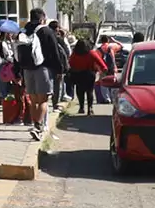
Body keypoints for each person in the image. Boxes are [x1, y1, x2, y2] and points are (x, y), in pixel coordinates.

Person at [19, 8, 64, 141]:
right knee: (43, 100)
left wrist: (18, 71)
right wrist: (59, 70)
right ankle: (38, 127)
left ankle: (35, 124)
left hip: (27, 69)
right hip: (42, 69)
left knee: (33, 101)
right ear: (41, 19)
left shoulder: (24, 31)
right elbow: (55, 52)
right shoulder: (46, 31)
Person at [67, 38, 108, 115]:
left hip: (78, 74)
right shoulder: (91, 53)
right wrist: (104, 69)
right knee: (90, 91)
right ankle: (90, 108)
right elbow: (99, 61)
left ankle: (81, 107)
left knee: (80, 91)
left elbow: (70, 62)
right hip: (89, 74)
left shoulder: (74, 53)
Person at [48, 20, 71, 112]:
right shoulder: (58, 39)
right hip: (58, 65)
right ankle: (55, 104)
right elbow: (67, 52)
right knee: (57, 86)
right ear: (57, 29)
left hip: (47, 65)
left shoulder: (46, 38)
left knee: (49, 86)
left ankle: (51, 103)